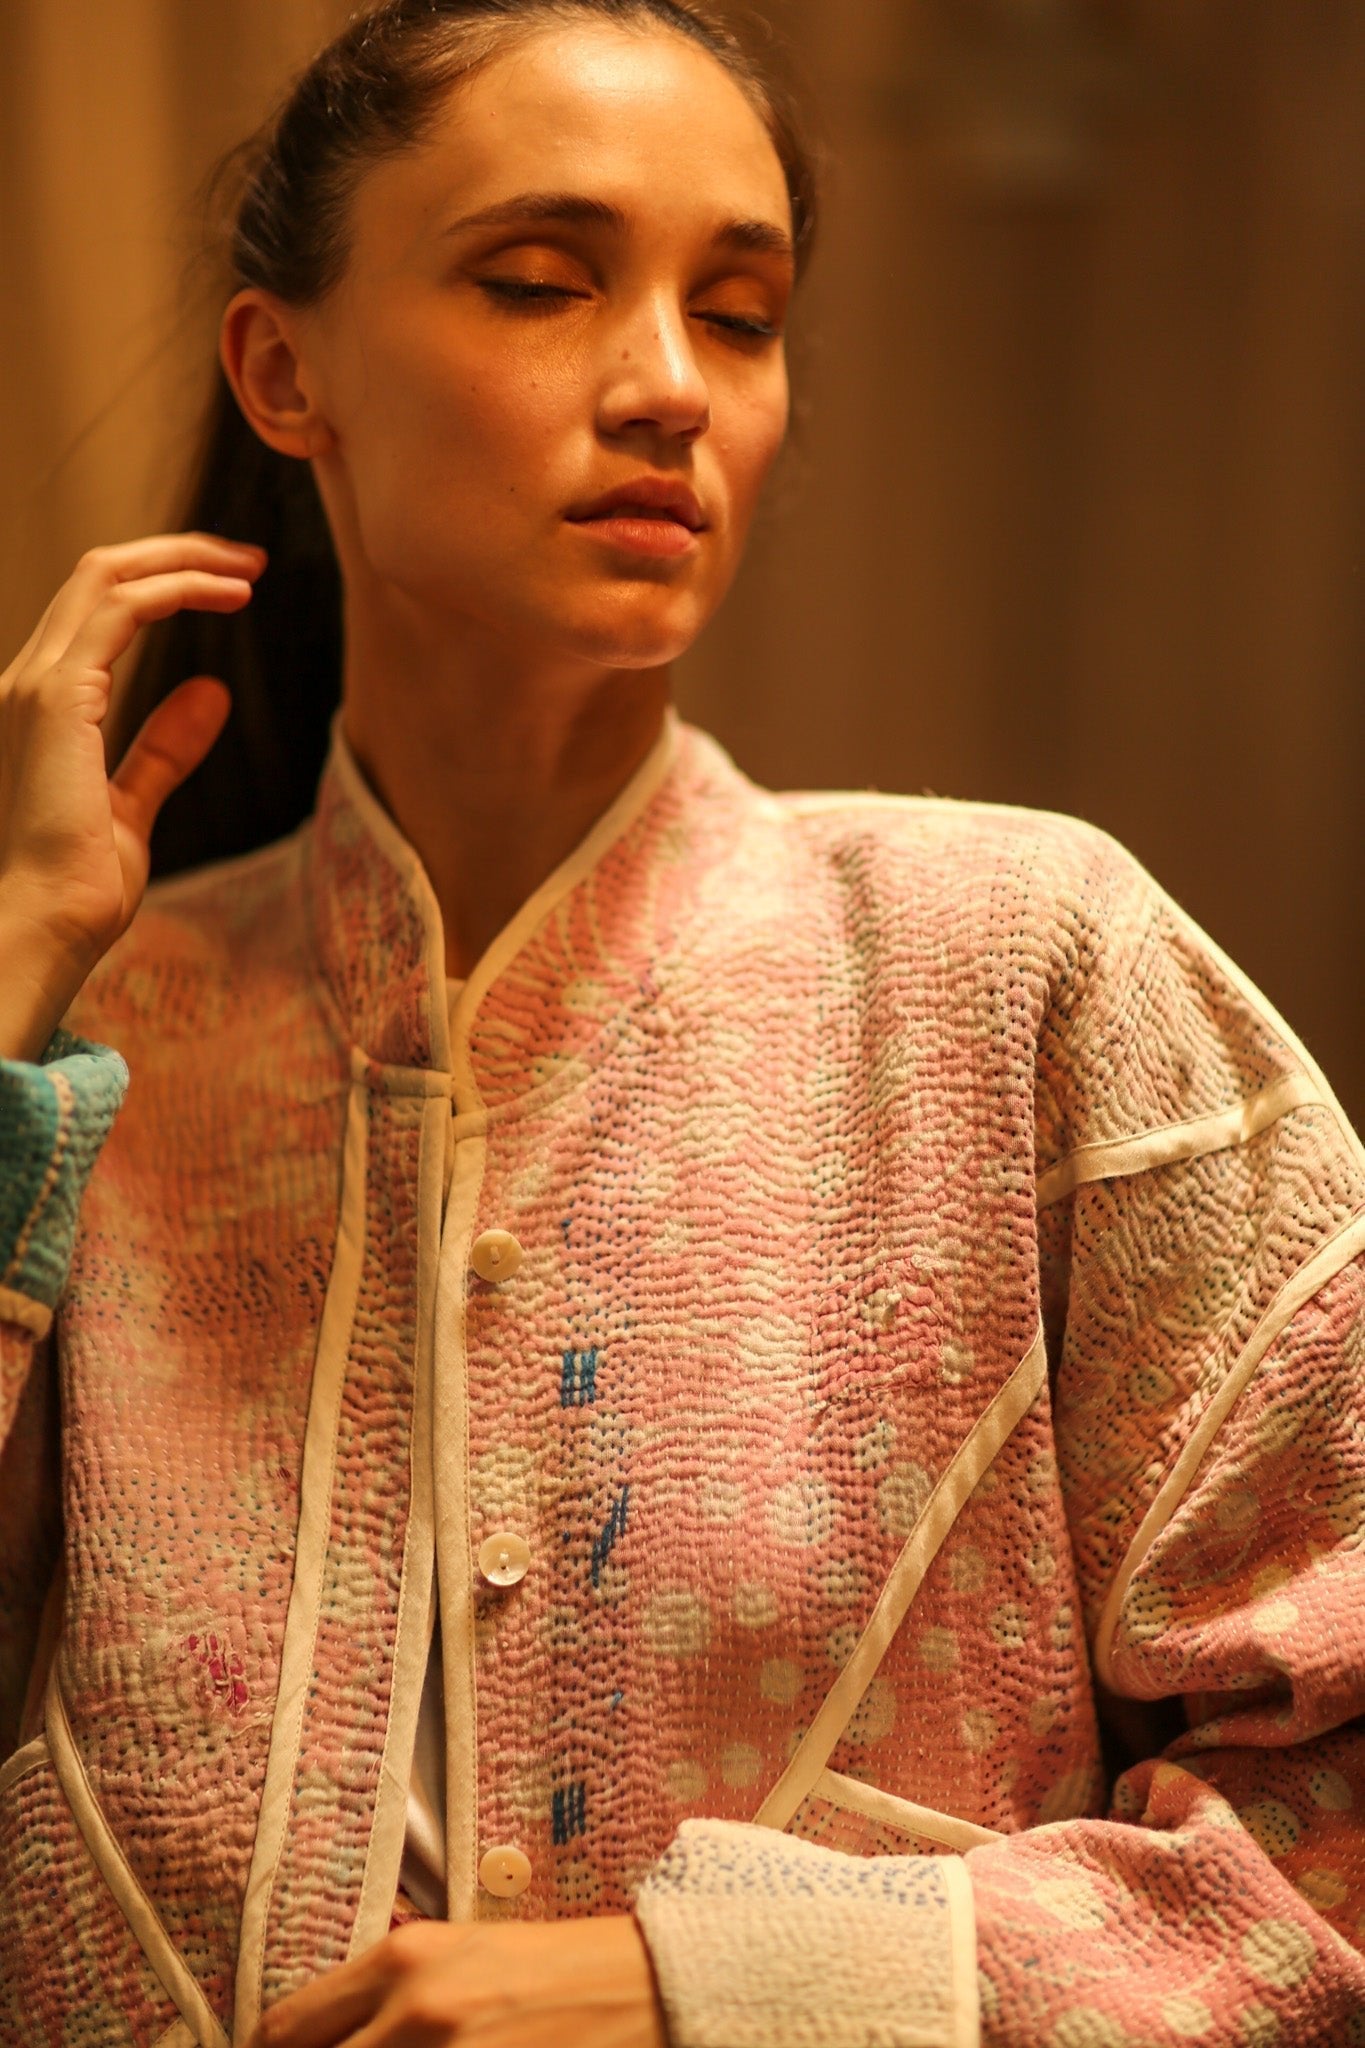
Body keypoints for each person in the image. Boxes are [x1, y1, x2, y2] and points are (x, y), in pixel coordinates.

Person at [2, 0, 1364, 2041]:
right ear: (284, 372)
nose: (666, 387)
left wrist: (721, 1984)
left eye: (738, 316)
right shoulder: (95, 1047)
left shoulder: (1023, 971)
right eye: (539, 284)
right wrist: (19, 962)